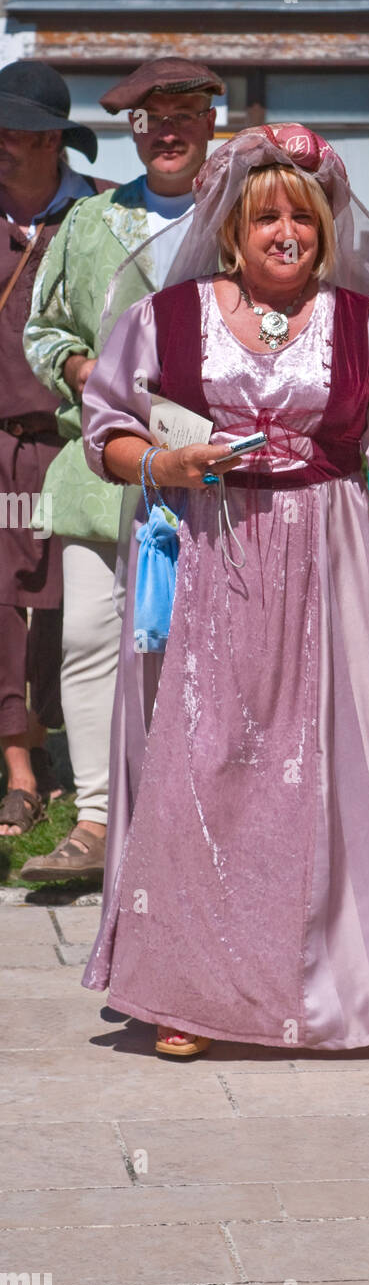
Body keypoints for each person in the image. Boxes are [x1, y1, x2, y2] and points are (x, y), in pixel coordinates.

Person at [79, 124, 369, 1057]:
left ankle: (316, 979)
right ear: (230, 227)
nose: (287, 231)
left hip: (322, 562)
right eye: (267, 216)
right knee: (196, 762)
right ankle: (186, 987)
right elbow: (104, 433)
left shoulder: (365, 325)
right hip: (202, 554)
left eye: (304, 214)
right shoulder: (165, 317)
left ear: (330, 226)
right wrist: (165, 461)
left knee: (315, 765)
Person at [22, 57, 223, 883]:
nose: (167, 132)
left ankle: (189, 814)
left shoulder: (241, 216)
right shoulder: (90, 222)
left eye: (183, 116)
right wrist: (88, 378)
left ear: (212, 124)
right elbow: (44, 332)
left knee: (195, 647)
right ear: (132, 131)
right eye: (151, 119)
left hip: (207, 472)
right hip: (101, 468)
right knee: (90, 637)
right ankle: (99, 819)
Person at [0, 62, 112, 838]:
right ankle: (20, 772)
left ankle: (60, 742)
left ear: (49, 141)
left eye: (12, 134)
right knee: (1, 608)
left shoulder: (102, 219)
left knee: (74, 610)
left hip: (78, 445)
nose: (0, 148)